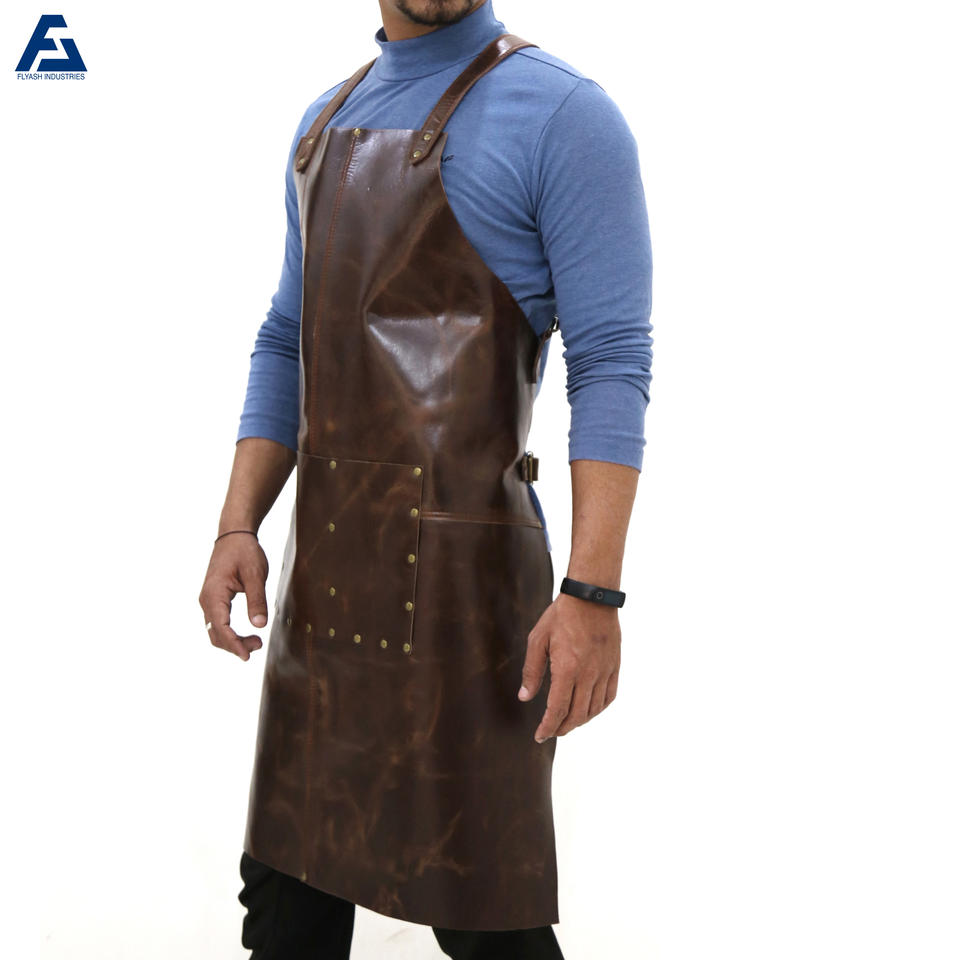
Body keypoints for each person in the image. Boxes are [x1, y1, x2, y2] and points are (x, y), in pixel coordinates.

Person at [197, 0, 653, 956]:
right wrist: (239, 523)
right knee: (284, 907)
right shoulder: (320, 125)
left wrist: (594, 592)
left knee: (490, 920)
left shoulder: (567, 116)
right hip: (324, 601)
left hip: (465, 606)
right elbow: (285, 338)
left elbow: (612, 359)